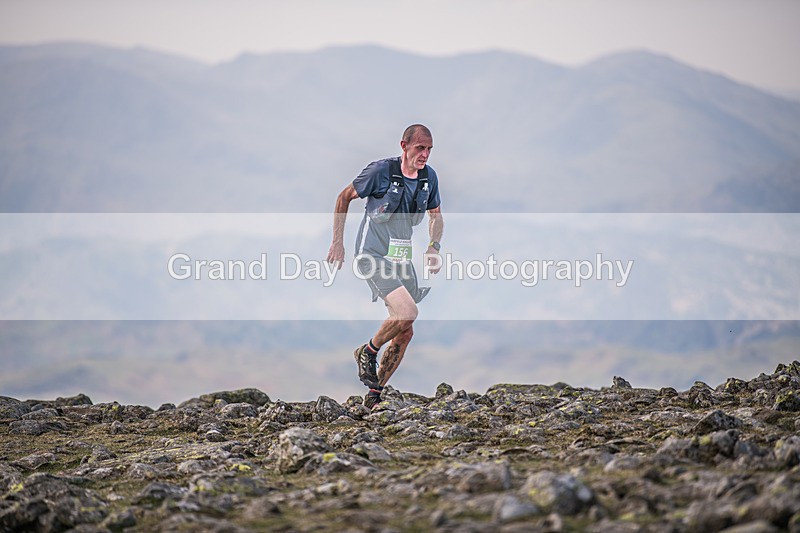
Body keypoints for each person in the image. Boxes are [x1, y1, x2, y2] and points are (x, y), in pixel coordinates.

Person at [326, 124, 444, 409]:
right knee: (408, 312)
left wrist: (433, 246)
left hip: (400, 260)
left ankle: (373, 398)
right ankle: (367, 351)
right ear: (404, 146)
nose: (425, 154)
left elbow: (436, 215)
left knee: (405, 330)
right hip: (372, 255)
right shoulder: (380, 172)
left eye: (429, 149)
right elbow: (343, 197)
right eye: (420, 148)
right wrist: (337, 243)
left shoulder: (429, 178)